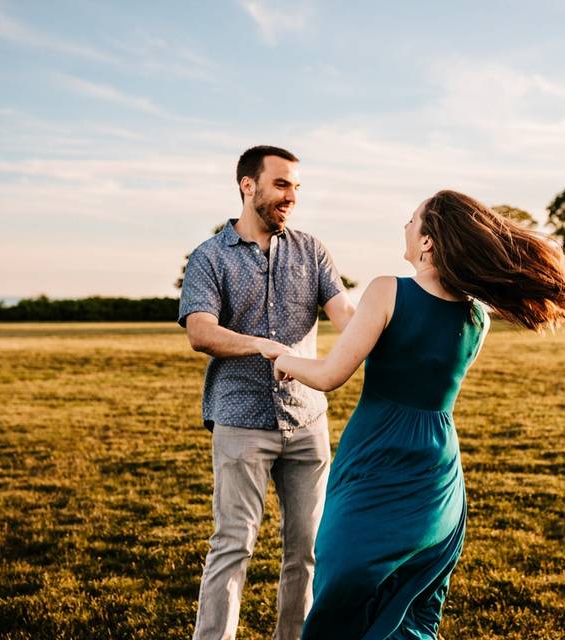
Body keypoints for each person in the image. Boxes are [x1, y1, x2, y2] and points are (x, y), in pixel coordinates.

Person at [273, 189, 565, 639]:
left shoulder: (387, 290)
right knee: (411, 597)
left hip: (378, 455)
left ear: (428, 242)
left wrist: (281, 358)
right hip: (437, 467)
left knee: (342, 584)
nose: (406, 228)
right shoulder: (477, 319)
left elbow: (332, 373)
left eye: (413, 220)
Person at [178, 145, 357, 640]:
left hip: (307, 420)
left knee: (308, 549)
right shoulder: (209, 257)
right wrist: (263, 346)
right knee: (233, 544)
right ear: (247, 186)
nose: (292, 196)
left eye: (296, 187)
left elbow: (345, 314)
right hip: (240, 421)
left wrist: (389, 322)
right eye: (281, 185)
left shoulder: (312, 250)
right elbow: (200, 331)